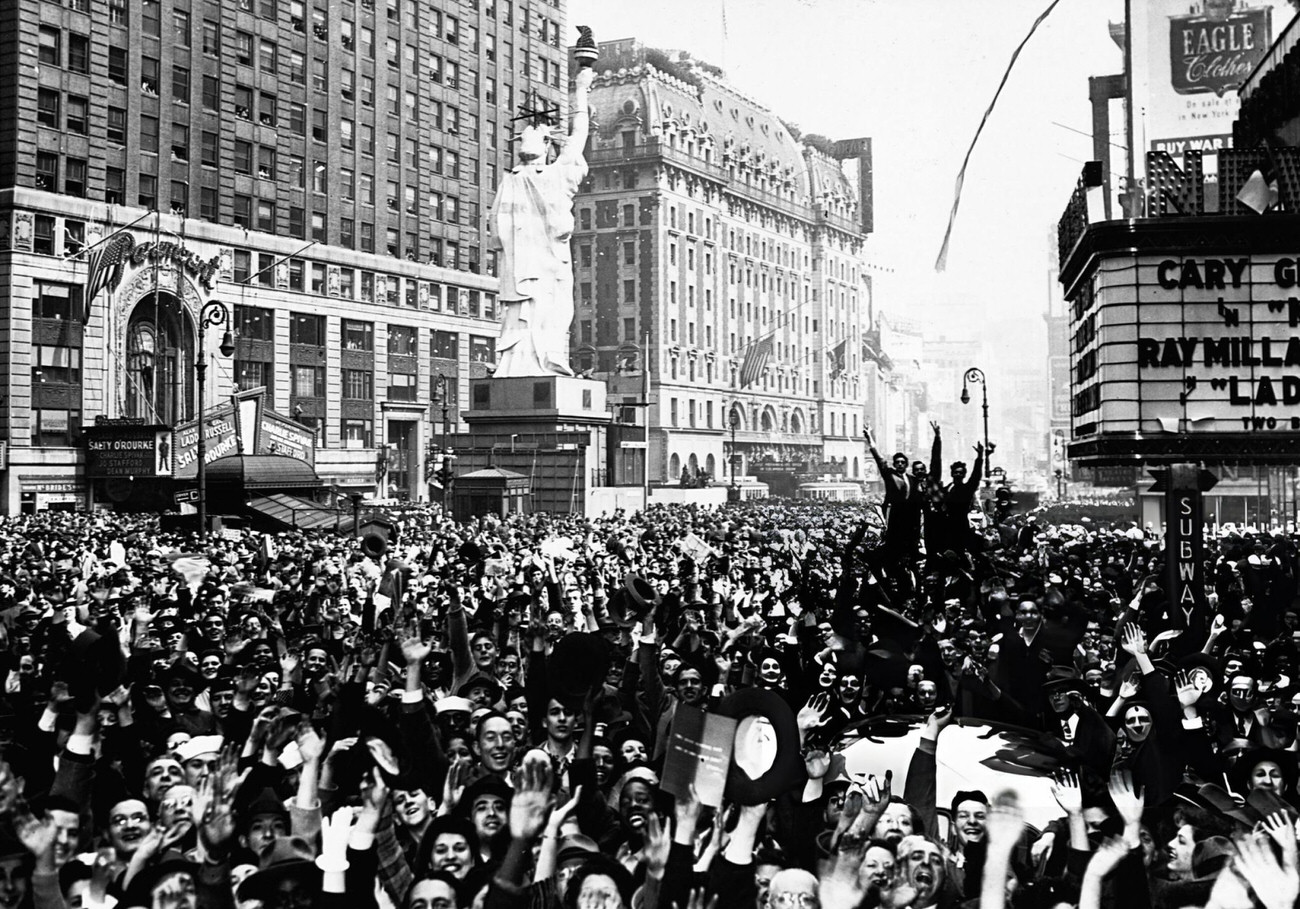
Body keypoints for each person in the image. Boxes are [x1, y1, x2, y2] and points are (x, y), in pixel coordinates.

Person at [489, 67, 593, 378]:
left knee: (531, 314)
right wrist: (580, 90)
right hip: (550, 266)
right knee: (556, 312)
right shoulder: (558, 174)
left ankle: (529, 365)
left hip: (523, 270)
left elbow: (497, 232)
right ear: (547, 147)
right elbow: (579, 135)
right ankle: (544, 362)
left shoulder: (511, 180)